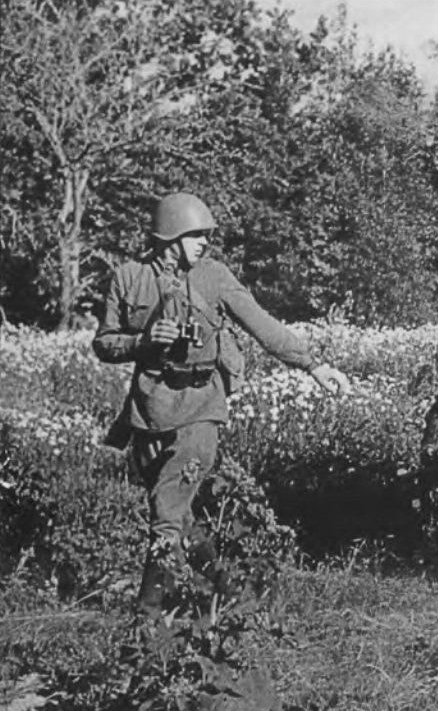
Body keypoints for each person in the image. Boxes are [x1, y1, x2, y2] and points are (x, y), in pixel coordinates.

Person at [93, 192, 352, 615]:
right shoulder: (128, 277)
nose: (203, 243)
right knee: (180, 513)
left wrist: (313, 366)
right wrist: (142, 341)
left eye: (206, 235)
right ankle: (231, 591)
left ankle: (146, 619)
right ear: (170, 237)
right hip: (150, 408)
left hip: (202, 405)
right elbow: (103, 343)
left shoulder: (214, 276)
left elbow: (261, 323)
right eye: (194, 235)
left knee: (165, 512)